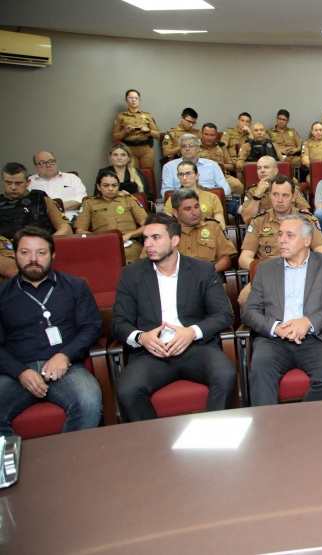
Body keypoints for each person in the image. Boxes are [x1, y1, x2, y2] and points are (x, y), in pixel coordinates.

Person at [110, 213, 237, 422]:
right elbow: (118, 322)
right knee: (127, 389)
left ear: (175, 240)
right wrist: (142, 337)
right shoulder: (131, 274)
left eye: (156, 238)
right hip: (152, 353)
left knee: (225, 375)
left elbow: (224, 314)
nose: (148, 244)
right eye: (146, 238)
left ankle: (215, 436)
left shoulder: (202, 270)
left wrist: (191, 332)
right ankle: (155, 445)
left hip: (195, 348)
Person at [0, 226, 103, 437]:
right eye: (25, 252)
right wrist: (20, 372)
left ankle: (69, 463)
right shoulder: (2, 295)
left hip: (67, 367)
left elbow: (92, 327)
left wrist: (65, 355)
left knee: (89, 402)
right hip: (17, 370)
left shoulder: (75, 286)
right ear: (15, 255)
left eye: (41, 252)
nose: (33, 259)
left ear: (52, 255)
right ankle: (15, 468)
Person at [241, 214, 322, 405]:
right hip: (274, 341)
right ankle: (269, 430)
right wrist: (275, 327)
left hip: (315, 338)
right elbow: (249, 311)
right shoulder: (265, 269)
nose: (282, 240)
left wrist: (307, 322)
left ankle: (299, 423)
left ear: (307, 240)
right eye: (280, 234)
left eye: (289, 235)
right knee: (260, 375)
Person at [238, 175, 322, 305]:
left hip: (301, 273)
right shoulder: (258, 221)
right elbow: (244, 258)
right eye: (275, 194)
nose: (279, 200)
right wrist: (266, 269)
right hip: (268, 275)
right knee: (244, 299)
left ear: (293, 197)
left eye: (285, 195)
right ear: (269, 195)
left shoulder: (307, 219)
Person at [73, 169, 147, 263]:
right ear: (98, 187)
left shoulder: (128, 200)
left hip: (129, 243)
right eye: (106, 185)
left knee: (127, 260)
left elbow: (147, 226)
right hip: (101, 244)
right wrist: (100, 239)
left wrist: (129, 235)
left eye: (114, 185)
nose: (111, 188)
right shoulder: (89, 203)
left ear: (118, 186)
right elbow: (79, 231)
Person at [168, 187, 236, 273]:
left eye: (196, 207)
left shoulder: (213, 226)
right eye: (187, 209)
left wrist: (206, 274)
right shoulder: (166, 232)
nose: (194, 212)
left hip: (208, 278)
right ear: (175, 212)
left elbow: (226, 259)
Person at [1, 162, 72, 237]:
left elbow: (66, 228)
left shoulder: (42, 199)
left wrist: (47, 243)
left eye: (18, 183)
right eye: (8, 182)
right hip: (6, 247)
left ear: (28, 182)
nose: (13, 187)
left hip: (40, 246)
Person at [240, 156, 310, 224]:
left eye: (266, 167)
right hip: (264, 231)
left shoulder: (291, 188)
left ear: (275, 171)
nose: (262, 171)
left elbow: (306, 215)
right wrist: (257, 194)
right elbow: (247, 219)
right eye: (259, 168)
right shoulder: (252, 192)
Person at [161, 135, 232, 198]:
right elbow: (165, 192)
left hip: (209, 199)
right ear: (180, 149)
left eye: (191, 145)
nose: (187, 149)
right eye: (184, 146)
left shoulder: (212, 165)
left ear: (198, 148)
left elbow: (226, 189)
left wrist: (208, 194)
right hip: (183, 201)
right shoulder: (169, 167)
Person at [163, 160, 226, 229]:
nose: (184, 178)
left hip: (208, 235)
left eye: (188, 173)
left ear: (197, 176)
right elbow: (166, 225)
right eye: (181, 174)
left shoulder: (212, 197)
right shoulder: (173, 199)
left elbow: (221, 226)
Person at [29, 151, 88, 220]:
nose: (48, 165)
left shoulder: (72, 178)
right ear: (35, 166)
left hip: (70, 218)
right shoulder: (29, 182)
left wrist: (54, 207)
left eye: (51, 161)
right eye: (42, 163)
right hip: (42, 220)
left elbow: (82, 200)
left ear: (56, 162)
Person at [111, 89, 159, 171]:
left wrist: (148, 130)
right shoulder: (121, 116)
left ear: (139, 100)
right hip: (130, 149)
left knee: (148, 174)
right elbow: (115, 137)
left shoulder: (147, 115)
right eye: (130, 98)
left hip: (146, 150)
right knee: (133, 175)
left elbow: (157, 135)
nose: (133, 100)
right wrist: (125, 131)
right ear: (126, 100)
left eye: (136, 98)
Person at [198, 123, 245, 196]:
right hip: (203, 176)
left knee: (238, 185)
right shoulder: (195, 147)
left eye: (212, 135)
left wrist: (217, 166)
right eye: (206, 134)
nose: (209, 137)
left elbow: (231, 166)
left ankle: (232, 206)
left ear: (216, 135)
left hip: (222, 176)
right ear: (201, 134)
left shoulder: (221, 146)